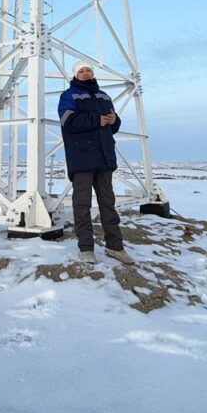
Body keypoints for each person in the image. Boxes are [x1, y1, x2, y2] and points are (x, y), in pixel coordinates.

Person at [57, 61, 135, 265]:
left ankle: (115, 247)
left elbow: (113, 125)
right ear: (75, 75)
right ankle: (86, 248)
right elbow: (68, 121)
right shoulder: (69, 95)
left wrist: (113, 120)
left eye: (88, 70)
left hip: (104, 157)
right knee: (82, 204)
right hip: (82, 157)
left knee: (108, 203)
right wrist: (97, 120)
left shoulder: (104, 96)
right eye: (81, 70)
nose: (85, 73)